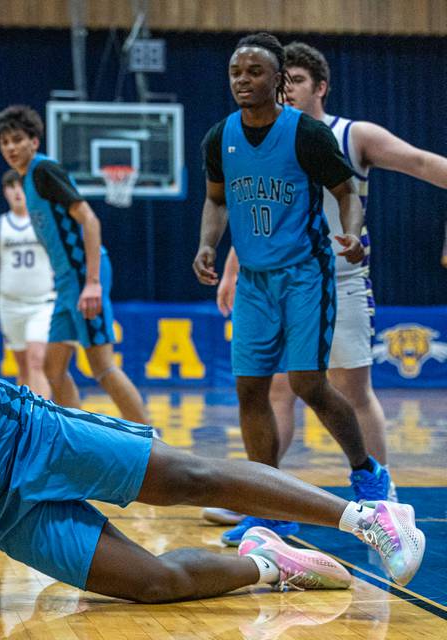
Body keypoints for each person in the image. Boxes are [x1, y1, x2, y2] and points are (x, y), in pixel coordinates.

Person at [0, 266, 424, 613]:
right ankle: (267, 562)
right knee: (155, 584)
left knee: (189, 478)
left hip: (38, 439)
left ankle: (368, 517)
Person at [210, 41, 447, 526]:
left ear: (319, 87)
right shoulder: (256, 134)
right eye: (285, 80)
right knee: (275, 390)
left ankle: (380, 493)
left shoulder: (350, 134)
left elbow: (422, 163)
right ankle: (266, 495)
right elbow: (259, 213)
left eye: (295, 80)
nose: (285, 88)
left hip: (340, 278)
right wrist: (232, 269)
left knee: (350, 390)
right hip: (279, 278)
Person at [192, 32, 391, 545]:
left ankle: (368, 472)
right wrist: (208, 246)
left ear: (278, 80)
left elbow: (346, 191)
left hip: (306, 274)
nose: (243, 80)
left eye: (254, 71)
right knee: (250, 389)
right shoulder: (220, 137)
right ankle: (270, 508)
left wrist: (350, 232)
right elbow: (216, 201)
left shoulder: (305, 134)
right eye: (236, 71)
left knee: (306, 383)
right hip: (255, 283)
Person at [0, 105, 147, 424]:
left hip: (83, 275)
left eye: (17, 139)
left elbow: (89, 220)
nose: (10, 148)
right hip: (65, 283)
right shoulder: (27, 181)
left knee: (102, 366)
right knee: (52, 368)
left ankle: (153, 443)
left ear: (34, 141)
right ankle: (77, 435)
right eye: (4, 142)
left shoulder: (44, 171)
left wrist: (92, 282)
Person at [0, 169, 55, 398]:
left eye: (22, 187)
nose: (18, 192)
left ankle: (44, 422)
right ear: (5, 192)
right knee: (24, 366)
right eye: (12, 187)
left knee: (37, 361)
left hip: (42, 302)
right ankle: (28, 418)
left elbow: (59, 258)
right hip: (10, 304)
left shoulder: (45, 223)